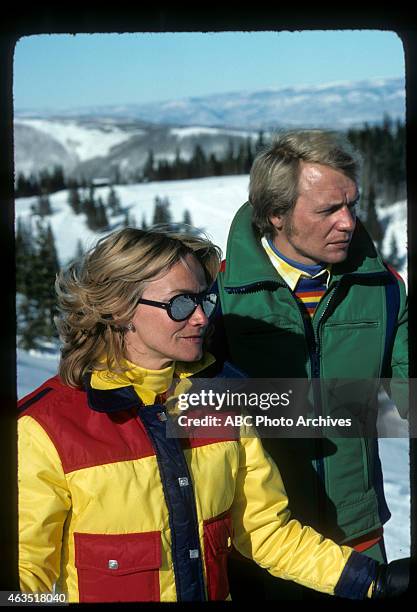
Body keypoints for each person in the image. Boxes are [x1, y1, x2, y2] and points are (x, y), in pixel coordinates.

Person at [17, 226, 408, 603]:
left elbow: (265, 533)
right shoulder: (46, 430)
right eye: (181, 304)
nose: (202, 318)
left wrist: (375, 580)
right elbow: (25, 578)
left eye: (204, 300)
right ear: (120, 310)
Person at [215, 130, 409, 600]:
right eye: (327, 210)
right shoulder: (216, 298)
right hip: (254, 548)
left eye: (352, 205)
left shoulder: (383, 289)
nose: (348, 222)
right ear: (276, 215)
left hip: (356, 533)